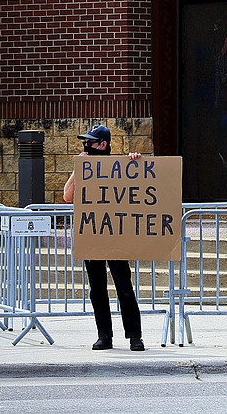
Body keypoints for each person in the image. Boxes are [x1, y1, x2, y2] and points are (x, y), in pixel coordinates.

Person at [62, 124, 146, 352]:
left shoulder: (119, 166)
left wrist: (135, 161)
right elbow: (67, 196)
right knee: (97, 288)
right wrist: (78, 169)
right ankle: (104, 336)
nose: (86, 146)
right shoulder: (84, 167)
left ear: (102, 145)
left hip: (115, 238)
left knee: (123, 286)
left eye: (90, 142)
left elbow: (138, 183)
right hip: (92, 237)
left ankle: (134, 336)